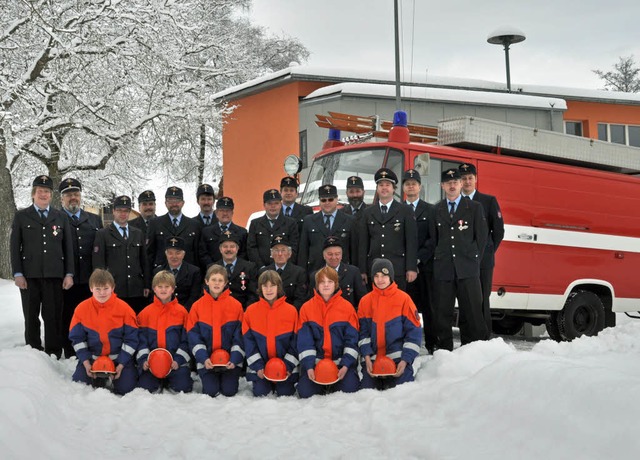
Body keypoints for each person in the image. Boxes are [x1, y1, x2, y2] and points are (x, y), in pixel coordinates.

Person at [10, 175, 74, 358]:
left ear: (51, 195)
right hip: (29, 276)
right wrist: (18, 273)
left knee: (52, 315)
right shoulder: (21, 216)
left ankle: (53, 351)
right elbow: (14, 247)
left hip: (54, 275)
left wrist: (69, 273)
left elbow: (67, 247)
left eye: (47, 191)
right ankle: (33, 351)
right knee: (31, 316)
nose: (44, 194)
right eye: (40, 191)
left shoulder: (60, 217)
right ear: (33, 194)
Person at [430, 168, 488, 351]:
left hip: (468, 269)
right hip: (444, 269)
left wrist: (472, 259)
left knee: (472, 312)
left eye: (455, 182)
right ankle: (443, 351)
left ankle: (472, 350)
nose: (452, 185)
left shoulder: (475, 208)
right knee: (442, 313)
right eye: (448, 183)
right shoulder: (436, 209)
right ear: (442, 186)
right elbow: (433, 239)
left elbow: (482, 238)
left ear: (461, 184)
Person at [69, 269, 138, 395]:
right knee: (80, 384)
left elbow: (132, 339)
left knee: (125, 389)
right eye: (98, 289)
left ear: (113, 288)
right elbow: (77, 339)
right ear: (91, 288)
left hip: (119, 359)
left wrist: (121, 364)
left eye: (106, 288)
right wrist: (86, 363)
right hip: (92, 359)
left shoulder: (125, 309)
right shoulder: (81, 309)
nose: (102, 293)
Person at [358, 259, 422, 390]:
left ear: (391, 277)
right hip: (373, 359)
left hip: (398, 359)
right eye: (376, 276)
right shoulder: (365, 301)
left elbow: (414, 334)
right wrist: (367, 358)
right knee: (366, 392)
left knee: (403, 391)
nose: (380, 280)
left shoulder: (404, 299)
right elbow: (362, 333)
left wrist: (405, 360)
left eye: (384, 276)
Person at [296, 266, 360, 398]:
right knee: (306, 393)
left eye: (330, 282)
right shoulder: (306, 309)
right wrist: (309, 366)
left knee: (349, 390)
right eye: (322, 282)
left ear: (336, 284)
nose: (326, 285)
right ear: (316, 284)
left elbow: (352, 341)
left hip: (340, 365)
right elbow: (305, 342)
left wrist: (346, 365)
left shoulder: (347, 308)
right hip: (315, 365)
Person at [59, 177, 104, 358]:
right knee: (67, 315)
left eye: (76, 194)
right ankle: (69, 350)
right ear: (62, 198)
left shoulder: (94, 220)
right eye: (68, 195)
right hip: (65, 279)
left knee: (90, 316)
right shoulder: (56, 218)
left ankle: (91, 347)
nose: (73, 198)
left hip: (89, 279)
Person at [459, 163, 505, 337]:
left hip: (483, 261)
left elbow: (498, 231)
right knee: (465, 299)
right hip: (462, 261)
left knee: (482, 299)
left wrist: (487, 251)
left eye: (470, 178)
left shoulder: (488, 201)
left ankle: (485, 338)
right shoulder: (456, 203)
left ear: (476, 179)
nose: (467, 181)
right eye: (463, 178)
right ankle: (467, 337)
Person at [187, 264, 244, 397]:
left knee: (229, 391)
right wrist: (203, 358)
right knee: (210, 392)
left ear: (225, 283)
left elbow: (240, 336)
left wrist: (234, 359)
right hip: (206, 362)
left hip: (230, 362)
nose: (216, 283)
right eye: (213, 279)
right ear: (207, 281)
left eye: (220, 280)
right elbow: (193, 336)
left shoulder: (236, 306)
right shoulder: (197, 306)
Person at [358, 168, 418, 290]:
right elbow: (363, 243)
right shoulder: (368, 212)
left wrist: (411, 267)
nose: (384, 188)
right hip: (374, 270)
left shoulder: (405, 210)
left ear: (394, 188)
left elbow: (411, 241)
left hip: (398, 269)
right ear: (377, 188)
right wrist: (363, 270)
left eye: (387, 185)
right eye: (381, 185)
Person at [243, 270, 299, 397]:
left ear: (278, 287)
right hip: (260, 370)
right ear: (260, 288)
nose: (268, 290)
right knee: (261, 393)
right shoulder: (250, 312)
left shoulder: (291, 311)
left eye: (272, 286)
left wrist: (288, 366)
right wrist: (258, 367)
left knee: (286, 394)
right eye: (265, 286)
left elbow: (295, 342)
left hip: (285, 369)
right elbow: (248, 342)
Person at [137, 271, 193, 393]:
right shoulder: (145, 314)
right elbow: (141, 342)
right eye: (160, 287)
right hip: (151, 364)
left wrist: (178, 360)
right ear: (154, 289)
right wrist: (144, 360)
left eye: (167, 287)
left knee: (183, 387)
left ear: (173, 289)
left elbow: (186, 340)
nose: (163, 290)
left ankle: (174, 378)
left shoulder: (182, 313)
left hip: (175, 363)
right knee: (145, 388)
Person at [93, 195, 150, 313]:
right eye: (119, 210)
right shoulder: (103, 234)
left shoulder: (138, 233)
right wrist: (102, 288)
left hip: (136, 289)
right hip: (115, 289)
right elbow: (99, 264)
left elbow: (144, 261)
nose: (122, 214)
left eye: (126, 211)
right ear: (113, 211)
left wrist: (146, 285)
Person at [402, 169, 437, 353]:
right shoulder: (398, 209)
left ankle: (431, 344)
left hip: (425, 268)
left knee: (429, 307)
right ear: (403, 187)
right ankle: (408, 343)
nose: (411, 186)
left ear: (420, 187)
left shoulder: (430, 210)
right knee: (406, 307)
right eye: (407, 183)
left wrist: (417, 258)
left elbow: (433, 239)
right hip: (404, 268)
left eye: (414, 183)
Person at [298, 184, 356, 274]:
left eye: (330, 199)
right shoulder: (309, 220)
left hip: (343, 272)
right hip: (316, 271)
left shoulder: (349, 220)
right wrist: (302, 274)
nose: (327, 203)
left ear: (337, 199)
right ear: (319, 201)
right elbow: (303, 251)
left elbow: (354, 250)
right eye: (323, 200)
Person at [146, 186, 201, 271]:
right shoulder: (155, 223)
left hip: (188, 276)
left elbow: (197, 255)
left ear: (183, 203)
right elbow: (150, 254)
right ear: (165, 203)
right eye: (170, 201)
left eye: (177, 201)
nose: (174, 204)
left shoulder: (194, 225)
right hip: (161, 276)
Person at [309, 236, 367, 309]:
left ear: (341, 255)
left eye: (337, 254)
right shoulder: (315, 275)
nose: (334, 257)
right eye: (330, 254)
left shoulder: (353, 272)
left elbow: (362, 301)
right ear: (324, 255)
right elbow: (312, 303)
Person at [247, 189, 299, 268]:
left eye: (276, 203)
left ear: (281, 205)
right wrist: (261, 267)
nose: (273, 206)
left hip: (284, 269)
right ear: (264, 205)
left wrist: (283, 266)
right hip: (261, 270)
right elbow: (252, 248)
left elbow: (294, 247)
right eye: (269, 203)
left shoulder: (290, 223)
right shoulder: (255, 223)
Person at [259, 235, 309, 309]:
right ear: (271, 254)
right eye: (276, 250)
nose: (280, 254)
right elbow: (260, 297)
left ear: (289, 253)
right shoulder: (263, 272)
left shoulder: (299, 273)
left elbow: (300, 299)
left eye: (283, 250)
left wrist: (288, 313)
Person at [152, 237, 202, 311]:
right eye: (170, 253)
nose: (174, 257)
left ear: (183, 254)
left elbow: (194, 296)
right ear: (166, 254)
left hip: (186, 311)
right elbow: (154, 295)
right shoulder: (158, 271)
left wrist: (182, 311)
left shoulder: (194, 271)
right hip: (163, 311)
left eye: (177, 253)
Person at [199, 196, 248, 268]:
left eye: (228, 211)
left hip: (236, 272)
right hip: (213, 272)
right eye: (222, 210)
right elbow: (203, 253)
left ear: (232, 213)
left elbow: (244, 253)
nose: (225, 213)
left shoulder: (242, 232)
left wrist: (233, 266)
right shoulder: (207, 232)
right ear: (216, 213)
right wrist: (214, 267)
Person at [214, 232, 258, 309]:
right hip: (219, 311)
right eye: (225, 246)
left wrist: (245, 312)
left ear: (237, 249)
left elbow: (253, 295)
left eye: (232, 246)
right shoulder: (213, 268)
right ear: (220, 249)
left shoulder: (249, 267)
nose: (228, 249)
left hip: (243, 311)